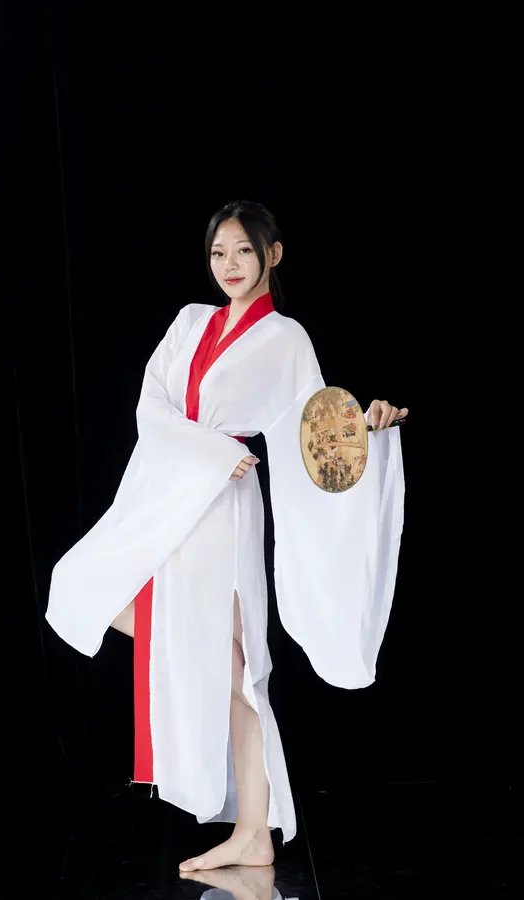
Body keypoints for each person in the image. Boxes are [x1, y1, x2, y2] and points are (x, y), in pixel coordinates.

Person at [46, 200, 408, 873]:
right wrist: (211, 452)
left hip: (224, 507)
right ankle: (195, 670)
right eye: (219, 252)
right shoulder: (190, 322)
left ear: (273, 254)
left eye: (244, 250)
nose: (230, 264)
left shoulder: (286, 339)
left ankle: (253, 833)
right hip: (169, 489)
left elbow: (314, 431)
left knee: (242, 675)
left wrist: (368, 425)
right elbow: (150, 407)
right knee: (79, 585)